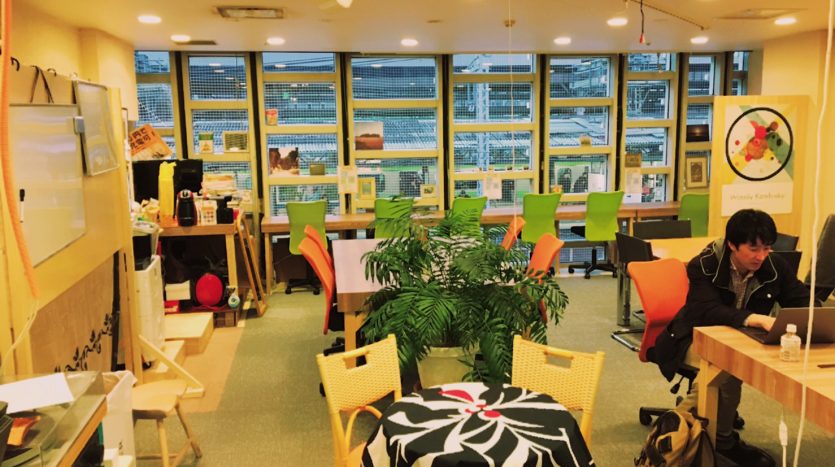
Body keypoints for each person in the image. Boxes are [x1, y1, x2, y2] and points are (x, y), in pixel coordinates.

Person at [653, 209, 814, 467]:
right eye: (753, 249)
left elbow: (802, 301)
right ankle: (713, 441)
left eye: (767, 248)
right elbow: (705, 311)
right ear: (732, 245)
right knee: (725, 367)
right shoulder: (704, 264)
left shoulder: (774, 266)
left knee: (727, 365)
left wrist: (817, 316)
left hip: (740, 341)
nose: (761, 256)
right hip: (690, 337)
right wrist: (754, 318)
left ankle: (675, 437)